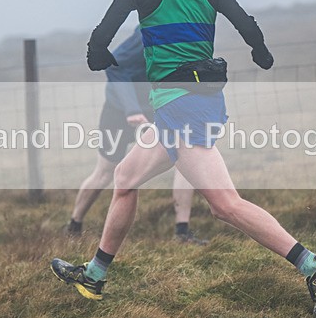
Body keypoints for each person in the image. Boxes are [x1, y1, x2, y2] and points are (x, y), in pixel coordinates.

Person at [51, 0, 316, 318]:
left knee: (225, 205)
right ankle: (95, 275)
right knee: (126, 177)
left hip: (182, 108)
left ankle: (314, 266)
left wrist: (98, 55)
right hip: (190, 103)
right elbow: (247, 24)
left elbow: (105, 30)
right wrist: (259, 51)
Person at [61, 27, 208, 244]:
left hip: (156, 107)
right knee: (105, 171)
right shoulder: (150, 31)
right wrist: (131, 110)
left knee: (185, 158)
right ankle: (74, 225)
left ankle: (182, 231)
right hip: (119, 110)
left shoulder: (192, 32)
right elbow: (114, 67)